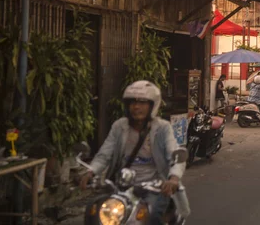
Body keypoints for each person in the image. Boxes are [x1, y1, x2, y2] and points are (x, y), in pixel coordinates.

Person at [79, 81, 187, 224]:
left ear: (152, 105)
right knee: (93, 210)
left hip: (153, 188)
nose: (136, 107)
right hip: (121, 186)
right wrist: (91, 172)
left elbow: (174, 154)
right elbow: (105, 153)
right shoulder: (119, 126)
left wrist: (173, 178)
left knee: (153, 214)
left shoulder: (162, 128)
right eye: (132, 102)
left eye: (142, 103)